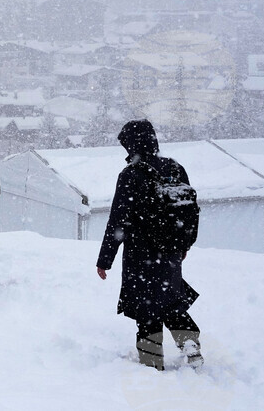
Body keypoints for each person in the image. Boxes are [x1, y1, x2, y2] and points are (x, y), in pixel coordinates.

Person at [97, 119, 202, 371]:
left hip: (140, 252)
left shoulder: (131, 174)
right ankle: (189, 341)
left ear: (131, 145)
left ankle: (152, 365)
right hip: (171, 250)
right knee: (170, 299)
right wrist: (184, 245)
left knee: (147, 309)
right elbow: (187, 211)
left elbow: (118, 221)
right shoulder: (175, 168)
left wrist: (105, 260)